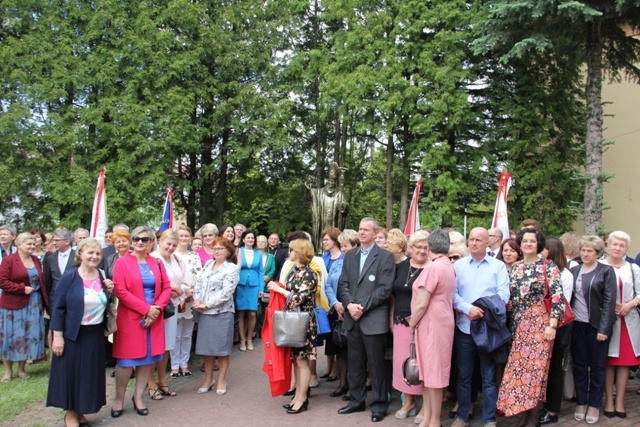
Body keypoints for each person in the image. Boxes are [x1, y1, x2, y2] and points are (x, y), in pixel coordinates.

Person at [497, 228, 565, 427]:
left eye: (532, 241)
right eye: (525, 241)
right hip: (518, 327)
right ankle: (523, 415)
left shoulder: (547, 266)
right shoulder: (516, 267)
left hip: (540, 327)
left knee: (536, 374)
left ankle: (532, 418)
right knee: (519, 373)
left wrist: (552, 324)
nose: (528, 244)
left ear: (539, 244)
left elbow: (558, 297)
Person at [46, 238, 114, 427]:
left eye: (98, 253)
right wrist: (57, 337)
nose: (94, 256)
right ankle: (70, 413)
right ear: (81, 255)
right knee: (71, 375)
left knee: (88, 375)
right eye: (90, 253)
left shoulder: (101, 275)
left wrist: (109, 292)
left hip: (94, 334)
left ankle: (81, 409)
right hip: (72, 334)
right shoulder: (70, 276)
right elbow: (58, 307)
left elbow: (102, 304)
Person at [337, 218, 396, 423]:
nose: (361, 233)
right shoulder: (350, 256)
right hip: (353, 318)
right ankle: (356, 400)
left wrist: (360, 306)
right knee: (355, 363)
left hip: (372, 318)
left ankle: (379, 405)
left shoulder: (385, 257)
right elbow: (343, 284)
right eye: (360, 229)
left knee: (377, 365)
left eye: (366, 230)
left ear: (375, 233)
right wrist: (350, 305)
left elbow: (385, 289)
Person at [110, 226, 172, 418]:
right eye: (136, 238)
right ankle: (119, 399)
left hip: (153, 319)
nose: (139, 242)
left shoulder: (157, 263)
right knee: (126, 362)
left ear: (151, 242)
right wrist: (146, 309)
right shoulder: (122, 263)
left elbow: (167, 288)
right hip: (131, 318)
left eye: (144, 239)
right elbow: (120, 291)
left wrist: (156, 309)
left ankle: (138, 397)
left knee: (148, 360)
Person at [452, 227, 510, 427]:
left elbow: (503, 295)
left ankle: (489, 419)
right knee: (464, 375)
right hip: (465, 328)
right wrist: (468, 308)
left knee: (489, 376)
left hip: (487, 330)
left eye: (479, 240)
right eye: (471, 239)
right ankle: (462, 416)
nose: (474, 243)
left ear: (488, 243)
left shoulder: (498, 267)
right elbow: (453, 294)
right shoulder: (458, 266)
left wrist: (483, 310)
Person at [409, 229, 457, 427]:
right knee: (429, 373)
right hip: (441, 320)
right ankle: (428, 418)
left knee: (434, 373)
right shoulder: (449, 266)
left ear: (429, 247)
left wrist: (412, 323)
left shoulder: (433, 268)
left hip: (431, 323)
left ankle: (434, 420)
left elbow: (422, 303)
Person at [569, 235, 617, 424]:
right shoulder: (575, 270)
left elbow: (609, 301)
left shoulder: (606, 271)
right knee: (580, 366)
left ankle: (595, 404)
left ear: (598, 253)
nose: (586, 253)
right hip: (577, 325)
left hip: (597, 326)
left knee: (597, 367)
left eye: (590, 251)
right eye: (583, 250)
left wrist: (604, 328)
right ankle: (581, 402)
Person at [268, 238, 318, 414]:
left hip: (303, 321)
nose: (288, 253)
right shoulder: (293, 271)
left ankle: (303, 398)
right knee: (296, 361)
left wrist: (279, 289)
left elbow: (300, 297)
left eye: (291, 250)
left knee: (302, 361)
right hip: (293, 320)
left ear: (299, 252)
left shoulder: (310, 273)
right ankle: (297, 394)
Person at [391, 230, 429, 422]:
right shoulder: (401, 266)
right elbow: (393, 295)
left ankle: (425, 406)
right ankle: (409, 401)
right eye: (418, 246)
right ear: (411, 248)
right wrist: (392, 317)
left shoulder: (431, 268)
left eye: (425, 247)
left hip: (422, 323)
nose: (422, 250)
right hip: (399, 321)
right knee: (403, 363)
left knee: (420, 364)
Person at [193, 237, 239, 395]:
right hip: (204, 312)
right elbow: (198, 283)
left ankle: (221, 380)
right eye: (214, 248)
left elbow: (226, 293)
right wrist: (197, 299)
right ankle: (208, 379)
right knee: (207, 348)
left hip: (222, 313)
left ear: (228, 252)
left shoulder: (231, 269)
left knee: (222, 349)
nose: (217, 251)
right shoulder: (207, 265)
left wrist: (208, 304)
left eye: (220, 249)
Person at [601, 231, 640, 419]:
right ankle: (608, 400)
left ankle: (620, 400)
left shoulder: (633, 268)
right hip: (605, 322)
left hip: (627, 321)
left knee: (623, 363)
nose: (617, 248)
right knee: (608, 361)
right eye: (614, 244)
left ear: (626, 249)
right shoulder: (599, 266)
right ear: (607, 245)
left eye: (621, 246)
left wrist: (629, 304)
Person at [0, 232, 48, 381]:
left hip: (33, 303)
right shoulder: (9, 260)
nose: (32, 246)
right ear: (19, 245)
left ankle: (21, 369)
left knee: (28, 336)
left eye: (33, 244)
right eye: (29, 244)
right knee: (11, 337)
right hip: (13, 305)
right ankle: (8, 371)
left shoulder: (35, 260)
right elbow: (2, 281)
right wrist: (21, 288)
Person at [538, 238, 575, 425]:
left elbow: (561, 303)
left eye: (544, 249)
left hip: (558, 327)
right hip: (541, 324)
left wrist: (550, 323)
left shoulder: (565, 275)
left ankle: (552, 410)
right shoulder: (541, 270)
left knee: (555, 370)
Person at [148, 229, 189, 399]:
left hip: (172, 307)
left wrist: (180, 291)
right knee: (153, 345)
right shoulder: (152, 259)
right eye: (168, 244)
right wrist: (172, 288)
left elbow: (187, 281)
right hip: (155, 307)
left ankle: (162, 380)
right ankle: (150, 383)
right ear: (160, 242)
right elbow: (151, 283)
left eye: (174, 245)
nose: (171, 248)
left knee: (166, 346)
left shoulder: (178, 259)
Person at [172, 225, 202, 377]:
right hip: (176, 298)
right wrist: (182, 292)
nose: (183, 239)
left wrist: (194, 293)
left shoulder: (194, 256)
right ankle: (174, 366)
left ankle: (184, 364)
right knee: (175, 334)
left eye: (186, 236)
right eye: (181, 236)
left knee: (187, 334)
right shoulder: (171, 255)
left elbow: (199, 277)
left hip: (191, 298)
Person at [322, 227, 345, 390]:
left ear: (335, 241)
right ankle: (329, 366)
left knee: (339, 335)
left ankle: (337, 368)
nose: (324, 242)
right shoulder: (323, 258)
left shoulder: (344, 258)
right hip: (326, 302)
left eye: (327, 240)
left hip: (339, 301)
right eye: (323, 240)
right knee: (329, 336)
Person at [306, 162, 349, 253]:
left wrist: (343, 206)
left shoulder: (339, 194)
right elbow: (311, 196)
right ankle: (320, 250)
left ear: (336, 181)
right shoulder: (319, 193)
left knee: (333, 236)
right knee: (322, 240)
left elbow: (345, 208)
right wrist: (308, 188)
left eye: (333, 181)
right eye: (330, 181)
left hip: (334, 223)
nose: (331, 183)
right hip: (322, 223)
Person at [236, 229, 264, 351]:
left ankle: (249, 338)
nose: (250, 240)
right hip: (240, 284)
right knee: (241, 313)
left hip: (254, 285)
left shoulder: (257, 253)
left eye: (252, 238)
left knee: (252, 313)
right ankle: (242, 340)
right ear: (243, 239)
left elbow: (260, 272)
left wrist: (261, 288)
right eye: (248, 237)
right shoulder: (238, 251)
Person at [44, 229, 79, 310]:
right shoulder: (50, 258)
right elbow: (48, 282)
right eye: (53, 240)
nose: (54, 243)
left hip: (74, 299)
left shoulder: (78, 256)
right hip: (55, 301)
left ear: (67, 241)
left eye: (57, 240)